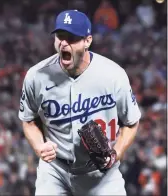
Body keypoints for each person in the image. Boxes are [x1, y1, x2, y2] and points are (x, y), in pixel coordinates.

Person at [18, 10, 141, 195]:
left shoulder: (113, 75)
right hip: (55, 171)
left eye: (72, 38)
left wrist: (115, 154)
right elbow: (28, 120)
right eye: (60, 36)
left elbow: (131, 123)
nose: (64, 43)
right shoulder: (36, 76)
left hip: (101, 175)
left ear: (87, 41)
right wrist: (39, 145)